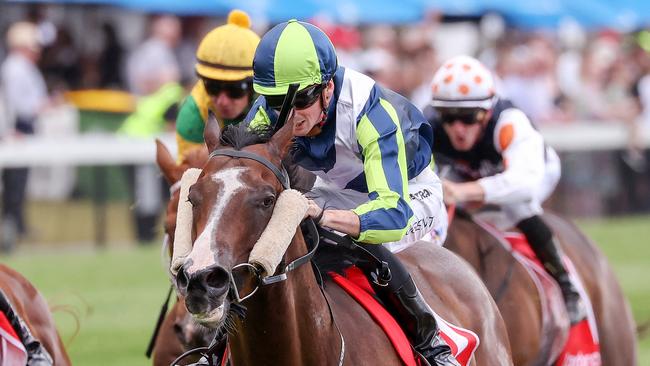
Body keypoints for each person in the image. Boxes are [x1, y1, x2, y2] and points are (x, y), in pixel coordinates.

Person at [245, 20, 457, 366]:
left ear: (327, 88)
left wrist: (325, 216)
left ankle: (431, 343)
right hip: (339, 191)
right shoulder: (265, 116)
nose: (290, 115)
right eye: (276, 100)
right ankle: (218, 344)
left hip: (408, 197)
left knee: (365, 243)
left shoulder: (370, 113)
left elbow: (391, 215)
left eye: (301, 98)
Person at [425, 55, 586, 324]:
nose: (458, 128)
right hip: (470, 173)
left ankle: (567, 286)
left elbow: (523, 183)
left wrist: (464, 192)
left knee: (518, 207)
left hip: (534, 173)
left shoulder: (510, 123)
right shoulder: (429, 124)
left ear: (487, 111)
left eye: (468, 117)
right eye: (448, 117)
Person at [175, 10, 260, 163]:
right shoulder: (192, 114)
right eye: (212, 87)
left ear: (253, 86)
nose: (222, 101)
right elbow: (189, 176)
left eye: (235, 89)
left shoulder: (272, 103)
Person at [0, 21, 48, 252]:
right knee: (14, 186)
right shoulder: (15, 68)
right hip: (16, 129)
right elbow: (20, 105)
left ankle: (16, 226)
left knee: (19, 185)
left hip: (21, 127)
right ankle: (12, 229)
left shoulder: (22, 67)